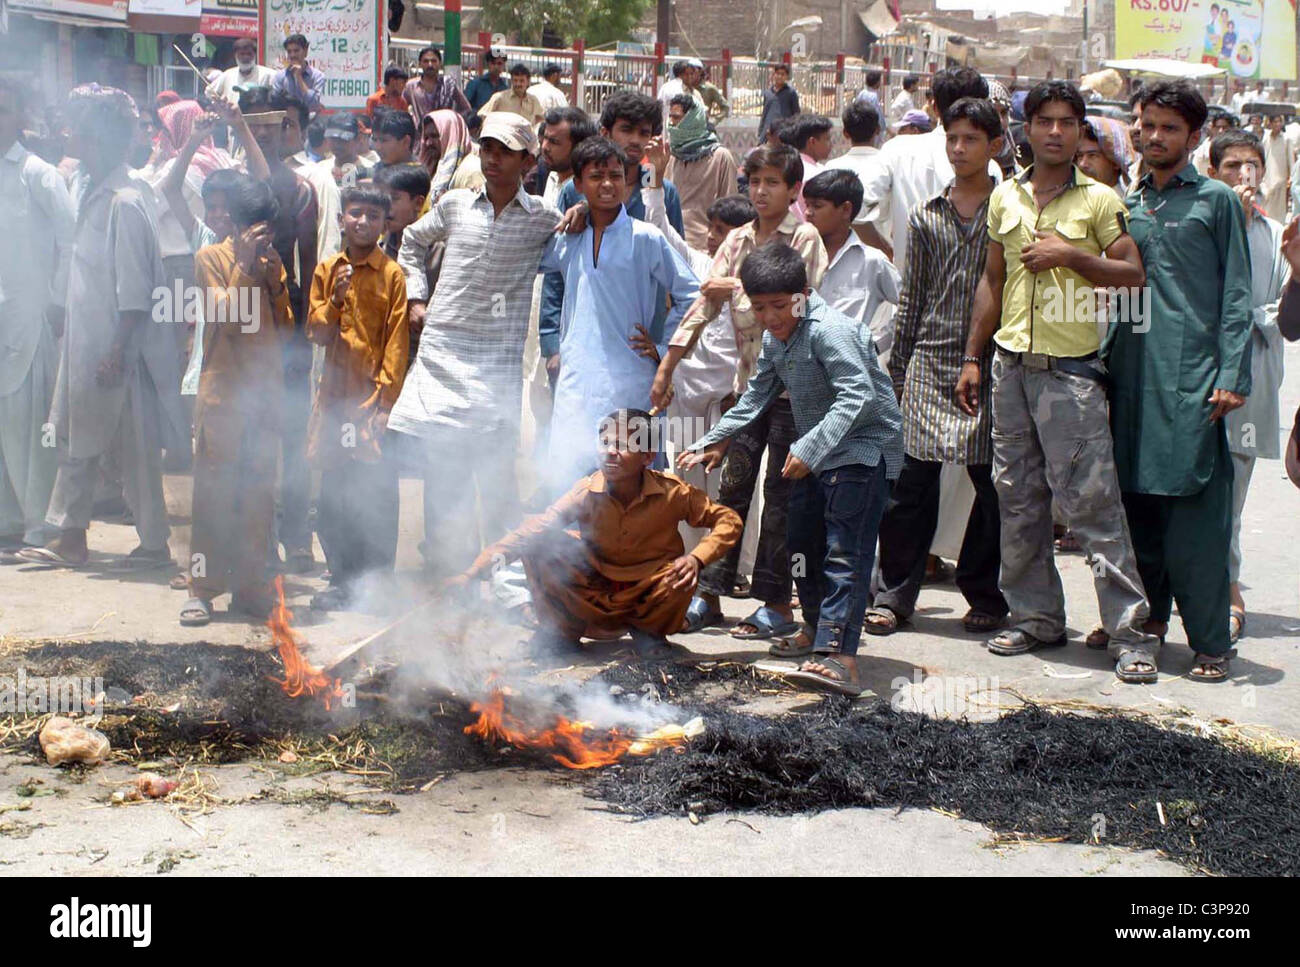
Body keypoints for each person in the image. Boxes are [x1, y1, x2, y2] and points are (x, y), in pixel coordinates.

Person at [954, 79, 1158, 678]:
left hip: (1070, 375)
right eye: (1045, 121)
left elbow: (1131, 275)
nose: (1055, 132)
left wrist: (1072, 257)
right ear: (1028, 128)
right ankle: (1035, 619)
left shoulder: (1098, 201)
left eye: (1067, 122)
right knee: (1018, 500)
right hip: (1011, 369)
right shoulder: (1006, 199)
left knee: (1093, 506)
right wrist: (973, 355)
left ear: (1079, 131)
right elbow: (991, 281)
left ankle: (1129, 635)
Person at [682, 243, 903, 695]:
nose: (769, 317)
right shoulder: (776, 340)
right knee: (801, 546)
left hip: (860, 453)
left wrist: (812, 445)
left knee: (845, 553)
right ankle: (816, 629)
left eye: (779, 306)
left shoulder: (830, 331)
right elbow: (757, 394)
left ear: (802, 294)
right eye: (759, 308)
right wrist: (712, 439)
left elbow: (856, 397)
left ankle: (839, 656)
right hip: (814, 457)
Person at [1108, 81, 1253, 682]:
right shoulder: (1128, 203)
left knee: (1195, 514)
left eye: (1170, 128)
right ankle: (1145, 629)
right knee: (1136, 510)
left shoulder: (1217, 201)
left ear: (1195, 138)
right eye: (1148, 125)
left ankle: (1211, 643)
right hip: (1131, 377)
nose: (1155, 136)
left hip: (1195, 379)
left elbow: (1238, 294)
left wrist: (1230, 373)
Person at [655, 144, 827, 641]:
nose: (760, 191)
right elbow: (701, 306)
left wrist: (732, 288)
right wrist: (668, 363)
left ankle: (778, 604)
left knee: (782, 498)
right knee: (730, 490)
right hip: (746, 392)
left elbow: (799, 301)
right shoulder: (738, 239)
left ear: (793, 190)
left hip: (796, 395)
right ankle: (708, 593)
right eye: (754, 182)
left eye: (772, 182)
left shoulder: (806, 237)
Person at [391, 113, 563, 576]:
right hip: (443, 350)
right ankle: (444, 569)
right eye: (487, 148)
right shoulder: (454, 205)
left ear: (528, 161)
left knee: (493, 467)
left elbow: (574, 250)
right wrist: (415, 297)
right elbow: (410, 240)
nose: (492, 158)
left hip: (496, 359)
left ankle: (501, 577)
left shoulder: (544, 219)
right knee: (441, 461)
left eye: (505, 151)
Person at [19, 86, 178, 570]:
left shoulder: (125, 201)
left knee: (112, 448)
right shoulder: (93, 191)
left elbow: (135, 290)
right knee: (94, 442)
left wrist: (116, 350)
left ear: (103, 139)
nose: (73, 138)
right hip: (91, 346)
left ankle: (78, 538)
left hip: (116, 351)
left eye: (83, 132)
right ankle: (130, 542)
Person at [866, 97, 1008, 637]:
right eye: (952, 138)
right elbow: (913, 297)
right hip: (929, 358)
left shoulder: (1010, 212)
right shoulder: (927, 216)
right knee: (909, 486)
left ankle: (985, 594)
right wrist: (898, 372)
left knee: (992, 488)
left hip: (993, 364)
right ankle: (895, 595)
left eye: (971, 139)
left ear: (994, 146)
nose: (959, 148)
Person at [446, 409, 742, 658]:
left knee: (680, 573)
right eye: (605, 442)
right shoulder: (585, 491)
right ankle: (560, 634)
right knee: (540, 544)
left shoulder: (672, 492)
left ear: (647, 456)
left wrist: (697, 558)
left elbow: (728, 520)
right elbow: (529, 533)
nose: (610, 452)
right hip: (595, 590)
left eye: (622, 445)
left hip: (651, 592)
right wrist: (472, 573)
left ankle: (649, 636)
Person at [538, 137, 701, 493]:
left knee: (634, 490)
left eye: (616, 175)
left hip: (631, 383)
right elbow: (526, 255)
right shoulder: (568, 238)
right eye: (596, 176)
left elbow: (693, 294)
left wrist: (663, 349)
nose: (609, 184)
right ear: (578, 184)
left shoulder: (646, 238)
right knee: (571, 489)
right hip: (576, 383)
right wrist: (575, 211)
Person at [179, 176, 295, 625]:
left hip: (263, 398)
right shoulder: (209, 258)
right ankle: (202, 590)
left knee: (257, 498)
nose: (262, 237)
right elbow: (227, 317)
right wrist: (245, 268)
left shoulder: (272, 262)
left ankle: (249, 588)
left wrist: (274, 280)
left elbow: (285, 326)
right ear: (240, 226)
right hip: (223, 396)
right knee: (213, 496)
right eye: (255, 229)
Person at [306, 186, 409, 612]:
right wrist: (334, 301)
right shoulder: (329, 269)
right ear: (341, 220)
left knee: (376, 491)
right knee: (333, 492)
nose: (362, 222)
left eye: (372, 215)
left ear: (385, 224)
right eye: (355, 214)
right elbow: (316, 333)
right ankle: (340, 577)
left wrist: (385, 405)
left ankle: (377, 582)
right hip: (333, 403)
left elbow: (397, 344)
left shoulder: (392, 275)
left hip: (369, 403)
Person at [1207, 129, 1291, 644]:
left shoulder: (1278, 234)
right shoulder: (1201, 225)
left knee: (1231, 493)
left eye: (1253, 165)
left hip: (1252, 377)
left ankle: (1227, 586)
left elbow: (1286, 311)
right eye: (1234, 164)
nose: (1245, 175)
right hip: (1196, 378)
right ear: (1213, 171)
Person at [240, 92, 320, 573]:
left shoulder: (303, 189)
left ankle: (296, 537)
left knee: (291, 428)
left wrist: (309, 319)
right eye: (256, 124)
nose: (267, 132)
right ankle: (250, 537)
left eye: (276, 124)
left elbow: (307, 261)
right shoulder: (227, 182)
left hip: (285, 314)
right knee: (245, 427)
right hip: (238, 313)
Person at [0, 80, 74, 561]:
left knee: (31, 425)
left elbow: (70, 242)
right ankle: (7, 522)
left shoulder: (39, 173)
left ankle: (36, 528)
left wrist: (57, 301)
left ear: (18, 116)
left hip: (32, 318)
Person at [857, 67, 995, 269]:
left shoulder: (898, 149)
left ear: (934, 107)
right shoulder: (989, 165)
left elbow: (857, 210)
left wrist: (887, 250)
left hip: (907, 287)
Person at [801, 168, 900, 359]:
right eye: (807, 205)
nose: (808, 213)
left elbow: (908, 307)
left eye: (817, 206)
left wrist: (876, 344)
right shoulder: (799, 257)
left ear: (846, 209)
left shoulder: (872, 262)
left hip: (849, 371)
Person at [664, 93, 738, 251]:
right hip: (670, 245)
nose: (671, 124)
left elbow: (730, 207)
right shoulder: (672, 157)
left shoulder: (720, 157)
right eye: (670, 118)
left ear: (692, 119)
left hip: (703, 247)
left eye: (677, 118)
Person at [825, 99, 882, 244]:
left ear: (845, 133)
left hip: (841, 252)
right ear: (878, 130)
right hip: (885, 253)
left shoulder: (832, 168)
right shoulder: (889, 165)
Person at [778, 113, 832, 220]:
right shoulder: (818, 175)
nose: (831, 144)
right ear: (812, 142)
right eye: (827, 139)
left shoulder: (781, 167)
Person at [424, 109, 483, 202]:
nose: (428, 143)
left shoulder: (472, 170)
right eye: (426, 137)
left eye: (434, 136)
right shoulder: (432, 168)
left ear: (452, 135)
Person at [403, 46, 472, 123]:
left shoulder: (448, 84)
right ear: (420, 64)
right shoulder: (411, 86)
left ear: (440, 63)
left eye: (433, 61)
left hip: (444, 131)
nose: (430, 65)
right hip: (420, 132)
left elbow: (467, 109)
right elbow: (401, 107)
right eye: (426, 61)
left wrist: (453, 121)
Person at [1075, 116, 1135, 194]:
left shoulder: (1127, 202)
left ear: (1115, 162)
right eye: (1080, 156)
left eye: (1092, 155)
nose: (1082, 164)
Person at [211, 37, 275, 104]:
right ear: (235, 55)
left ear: (255, 55)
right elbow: (210, 92)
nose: (246, 57)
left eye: (249, 54)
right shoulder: (228, 75)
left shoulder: (268, 75)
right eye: (242, 54)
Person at [270, 34, 325, 113]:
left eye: (296, 51)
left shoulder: (317, 76)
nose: (292, 55)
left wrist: (299, 77)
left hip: (310, 122)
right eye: (289, 52)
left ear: (305, 51)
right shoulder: (280, 77)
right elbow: (274, 104)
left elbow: (314, 105)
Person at [479, 64, 545, 125]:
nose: (518, 84)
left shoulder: (533, 100)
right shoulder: (500, 97)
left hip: (526, 137)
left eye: (521, 81)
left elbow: (540, 120)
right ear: (511, 81)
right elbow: (482, 115)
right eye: (515, 80)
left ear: (528, 82)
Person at [1260, 115, 1293, 222]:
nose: (1278, 124)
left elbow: (1291, 159)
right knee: (1266, 204)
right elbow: (1262, 156)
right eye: (1275, 122)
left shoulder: (1286, 139)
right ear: (1270, 123)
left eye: (1280, 122)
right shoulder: (1266, 138)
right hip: (1267, 176)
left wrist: (1291, 176)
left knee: (1279, 208)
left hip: (1281, 178)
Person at [757, 63, 799, 144]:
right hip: (767, 134)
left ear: (786, 76)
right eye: (777, 73)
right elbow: (764, 113)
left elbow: (796, 115)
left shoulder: (791, 93)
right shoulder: (768, 93)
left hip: (784, 134)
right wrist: (760, 132)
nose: (779, 76)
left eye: (782, 74)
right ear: (773, 75)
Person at [464, 48, 509, 117]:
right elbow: (465, 107)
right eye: (493, 63)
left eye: (499, 63)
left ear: (503, 65)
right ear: (488, 64)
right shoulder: (475, 84)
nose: (496, 67)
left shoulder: (505, 89)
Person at [372, 108, 418, 174]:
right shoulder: (376, 170)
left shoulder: (417, 176)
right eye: (375, 139)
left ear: (405, 142)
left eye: (384, 140)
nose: (377, 147)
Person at [686, 59, 730, 125]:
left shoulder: (709, 88)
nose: (690, 75)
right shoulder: (683, 87)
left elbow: (725, 107)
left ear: (700, 72)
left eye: (693, 72)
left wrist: (715, 121)